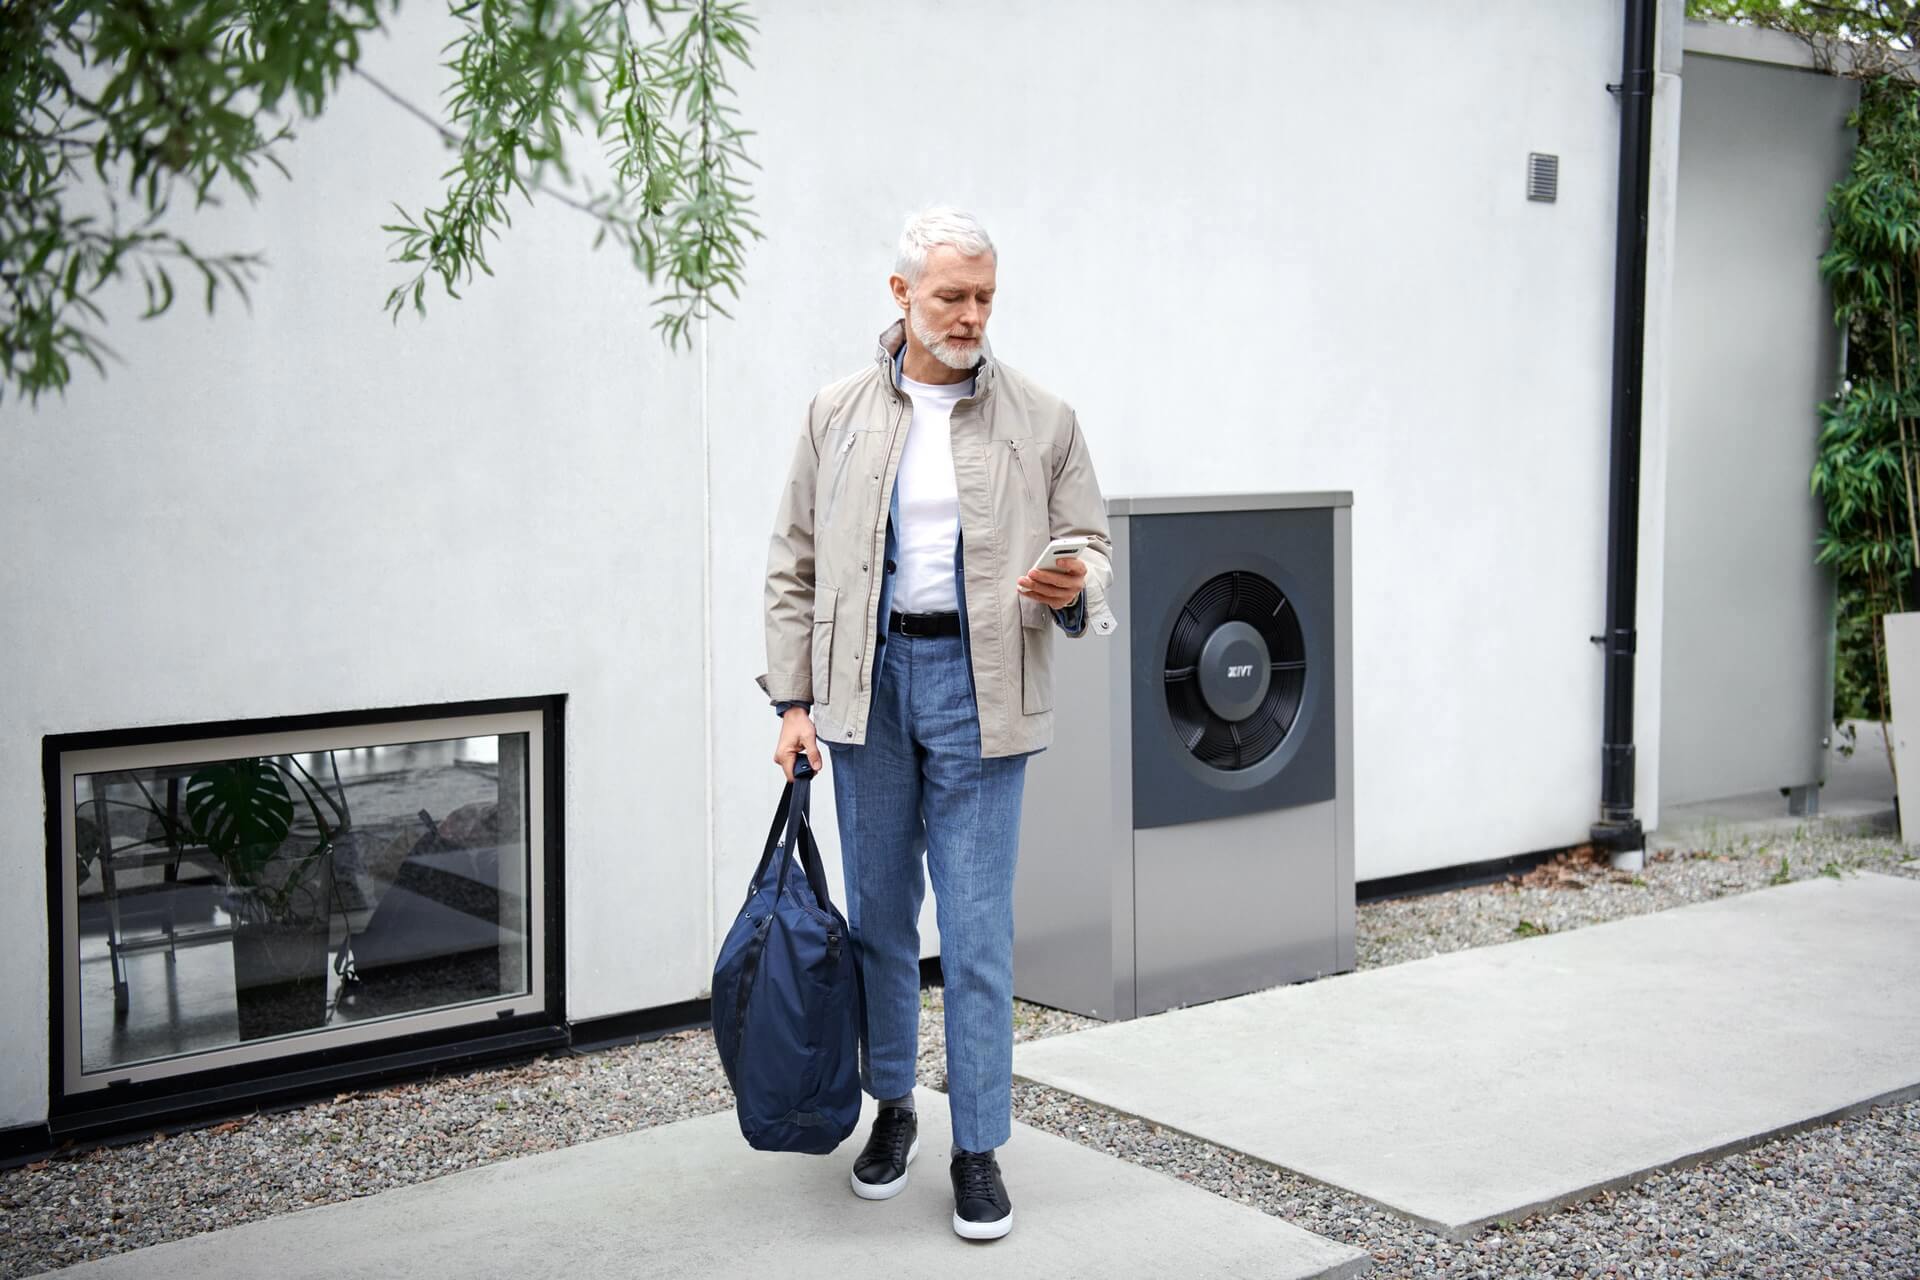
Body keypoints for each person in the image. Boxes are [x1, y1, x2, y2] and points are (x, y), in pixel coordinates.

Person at [756, 206, 1117, 1240]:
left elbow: (1090, 539)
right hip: (865, 683)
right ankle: (893, 1106)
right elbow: (794, 561)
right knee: (877, 914)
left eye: (985, 296)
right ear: (902, 292)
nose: (970, 315)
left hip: (982, 681)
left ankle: (979, 1145)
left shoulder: (1042, 417)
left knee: (975, 928)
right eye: (952, 294)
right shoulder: (835, 412)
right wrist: (792, 702)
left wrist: (1070, 578)